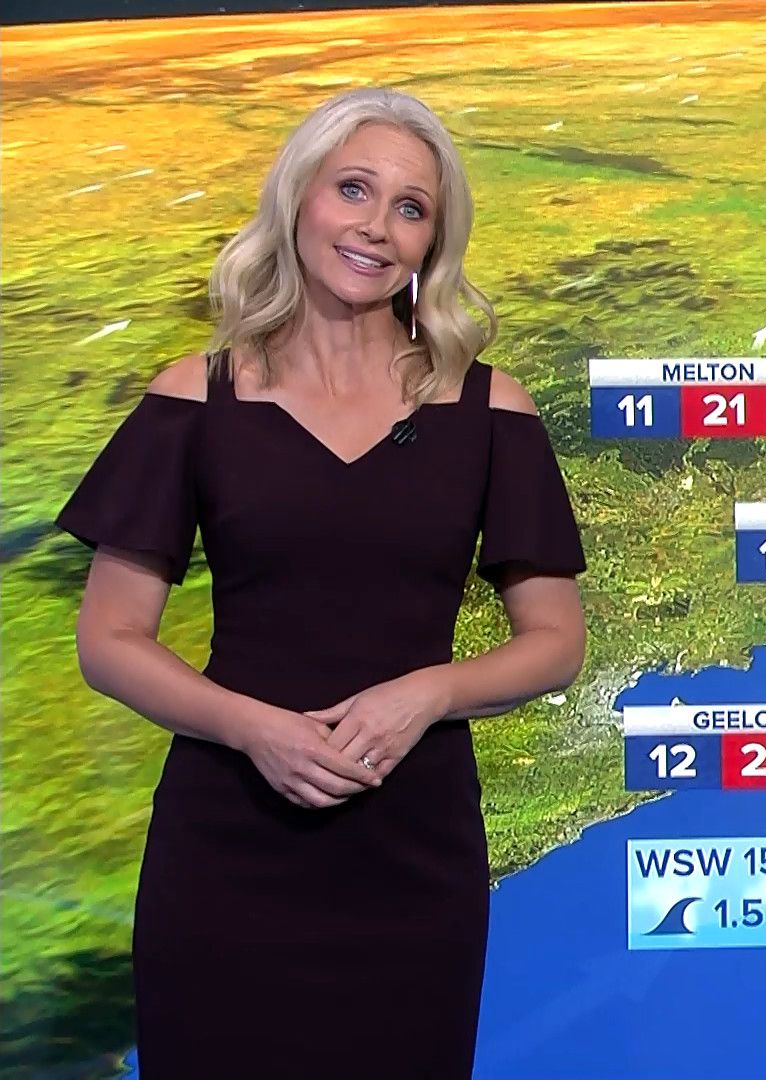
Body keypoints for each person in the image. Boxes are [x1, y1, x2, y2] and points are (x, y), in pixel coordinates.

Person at [57, 87, 588, 1078]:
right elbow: (110, 639)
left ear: (432, 242)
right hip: (226, 849)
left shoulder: (489, 411)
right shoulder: (195, 399)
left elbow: (555, 640)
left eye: (410, 207)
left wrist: (424, 695)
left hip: (411, 851)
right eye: (353, 189)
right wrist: (253, 729)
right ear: (298, 197)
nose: (377, 226)